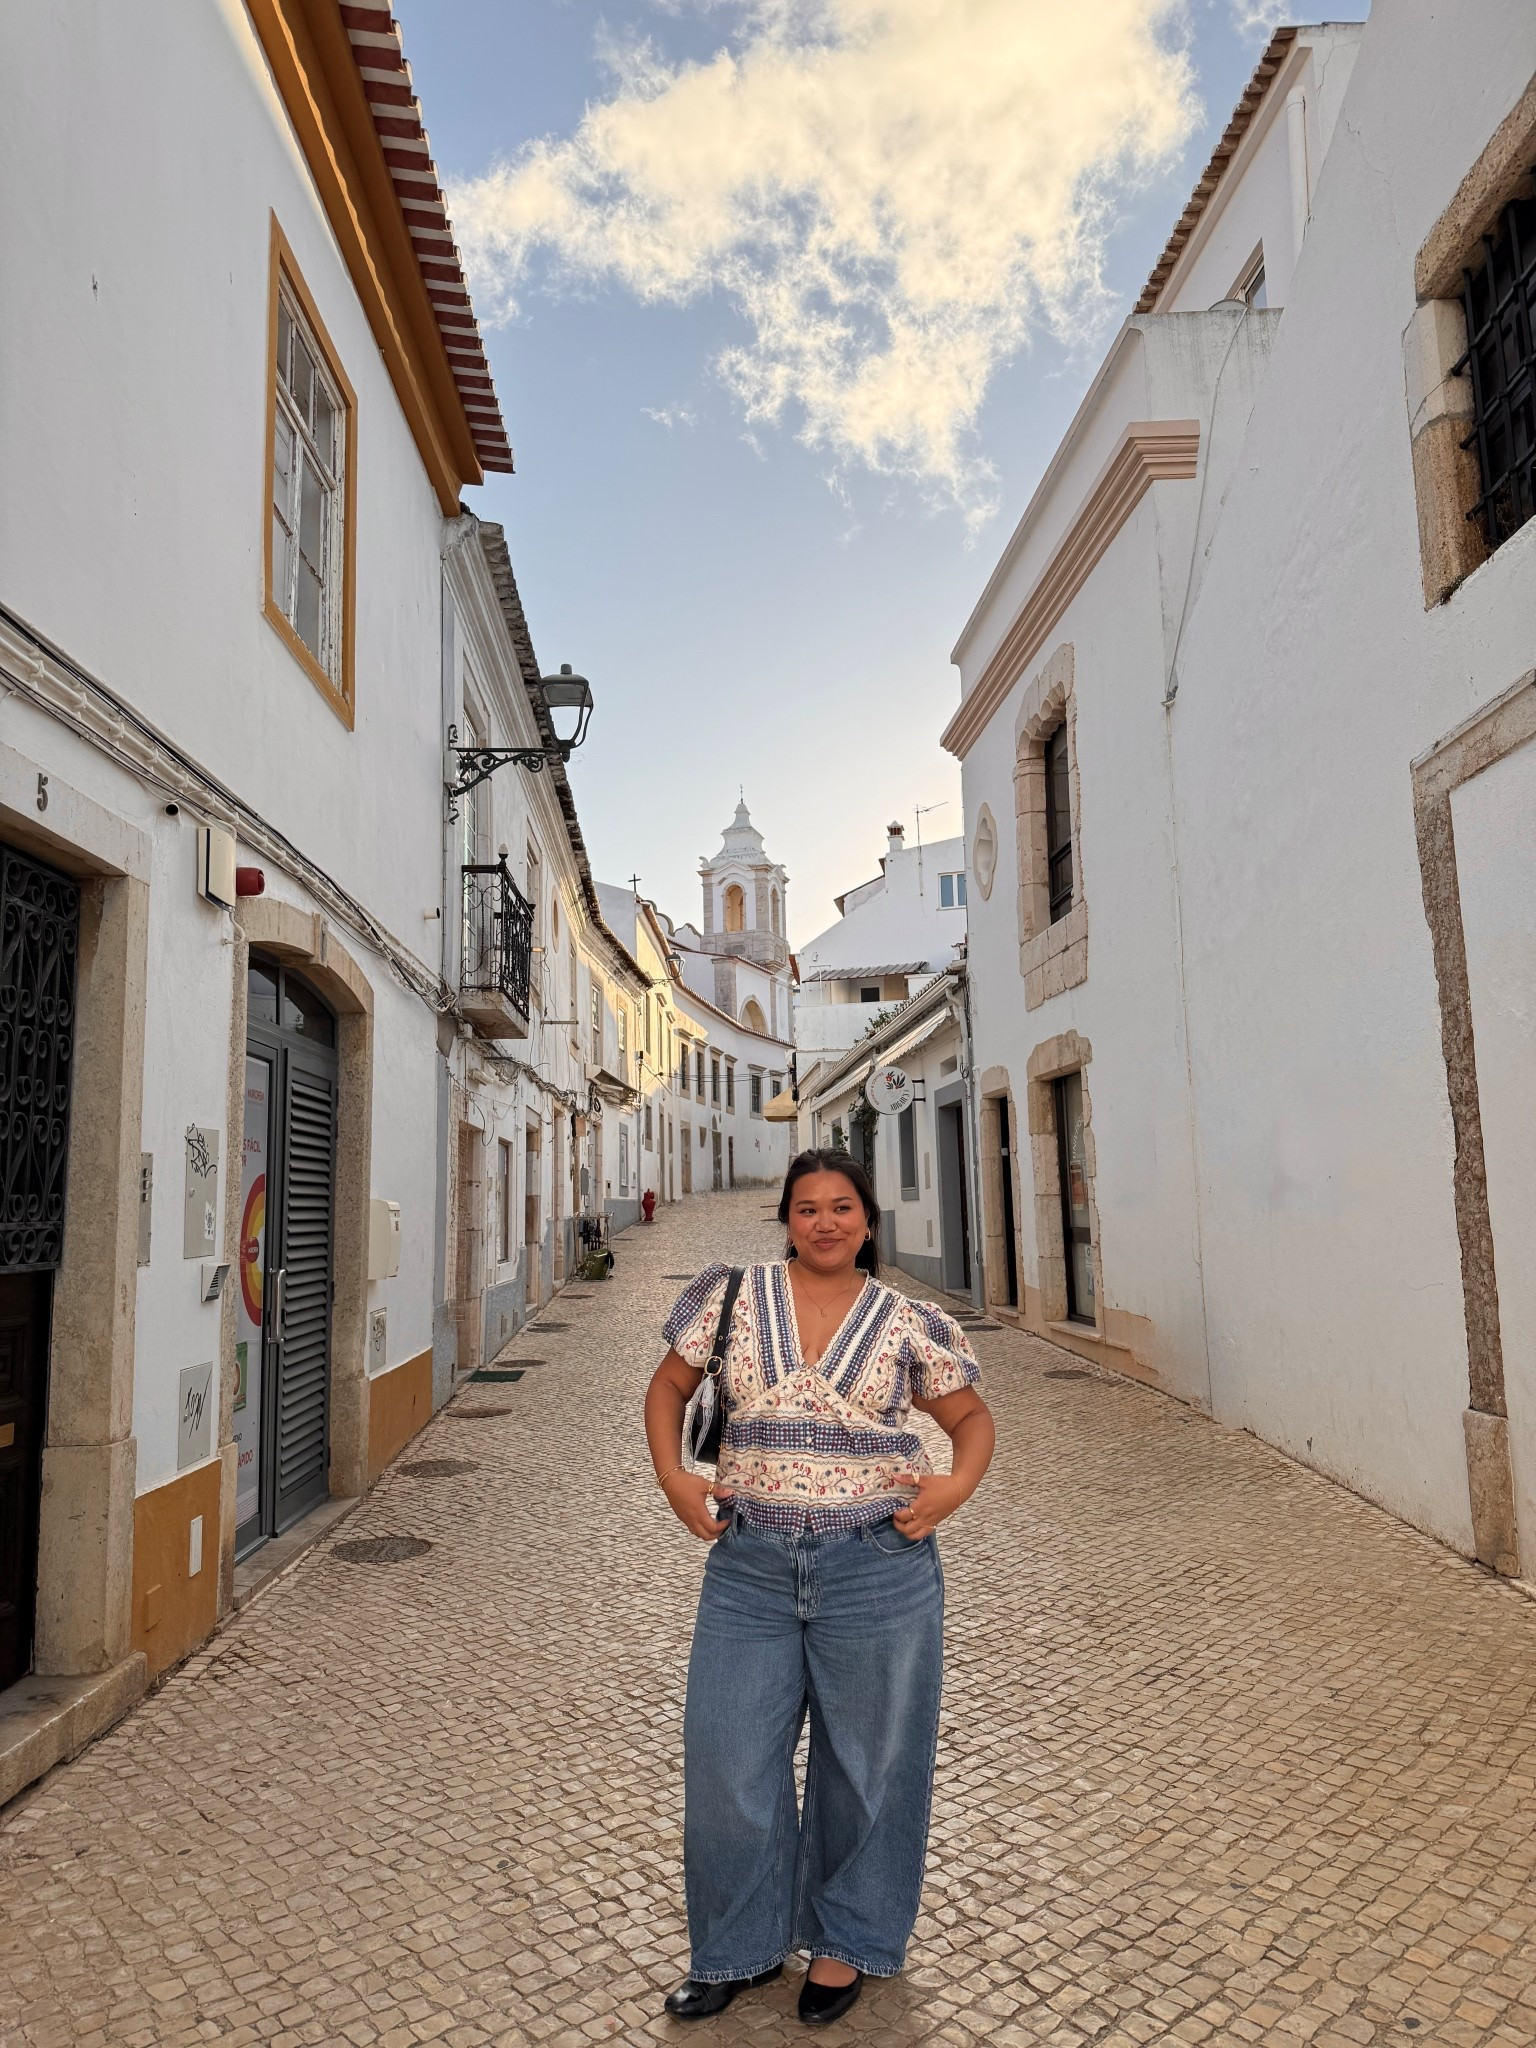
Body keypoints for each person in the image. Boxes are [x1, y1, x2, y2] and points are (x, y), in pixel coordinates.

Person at [643, 1148, 995, 2026]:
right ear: (787, 1221)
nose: (826, 1222)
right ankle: (737, 1949)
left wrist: (952, 1487)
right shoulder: (731, 1296)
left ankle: (848, 1944)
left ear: (869, 1222)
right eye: (807, 1208)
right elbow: (666, 1391)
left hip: (876, 1568)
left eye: (843, 1207)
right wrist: (673, 1477)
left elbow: (971, 1420)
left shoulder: (908, 1320)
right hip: (750, 1568)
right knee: (728, 1764)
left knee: (870, 1766)